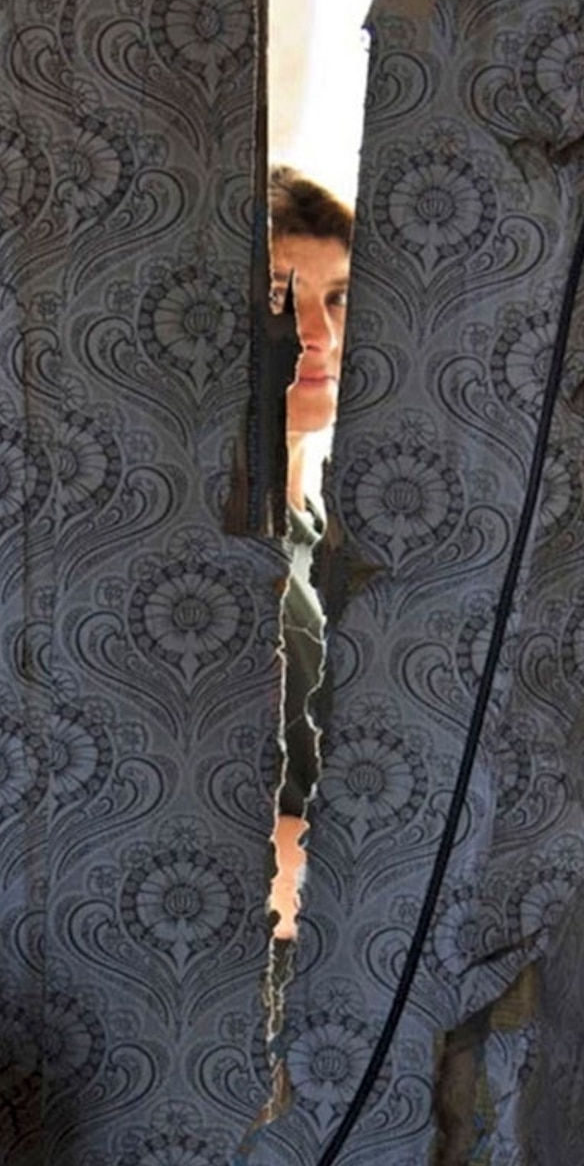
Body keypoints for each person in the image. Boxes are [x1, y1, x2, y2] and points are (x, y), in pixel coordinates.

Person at [266, 167, 354, 942]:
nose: (317, 333)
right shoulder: (232, 544)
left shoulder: (331, 525)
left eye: (336, 298)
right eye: (285, 298)